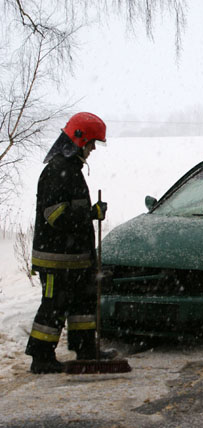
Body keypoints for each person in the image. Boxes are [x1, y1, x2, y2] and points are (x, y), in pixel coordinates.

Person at [26, 112, 115, 374]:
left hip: (75, 258)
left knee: (82, 304)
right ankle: (41, 357)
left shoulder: (71, 170)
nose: (93, 149)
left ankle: (86, 348)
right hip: (55, 259)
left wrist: (90, 214)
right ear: (79, 140)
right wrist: (89, 214)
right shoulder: (56, 172)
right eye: (91, 144)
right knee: (54, 306)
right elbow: (55, 215)